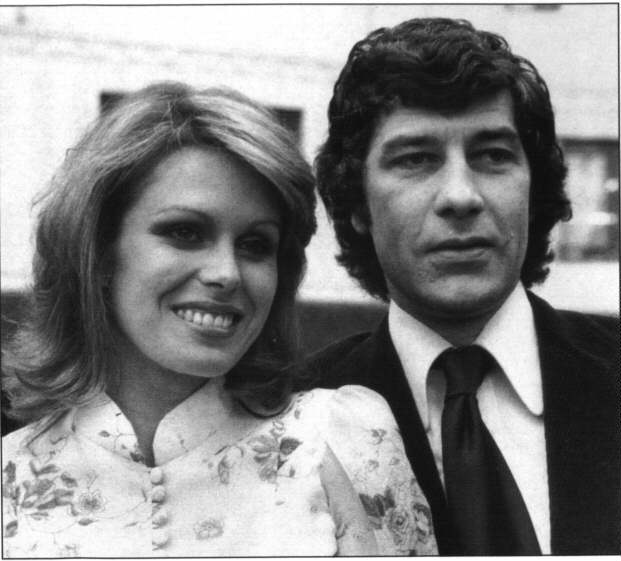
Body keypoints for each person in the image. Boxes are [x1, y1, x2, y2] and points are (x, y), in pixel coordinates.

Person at [1, 82, 437, 557]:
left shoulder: (340, 439)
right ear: (99, 253)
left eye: (255, 245)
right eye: (185, 232)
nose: (226, 273)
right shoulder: (11, 478)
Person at [304, 17, 620, 555]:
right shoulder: (296, 420)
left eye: (493, 155)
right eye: (416, 159)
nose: (461, 196)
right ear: (357, 204)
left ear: (533, 189)